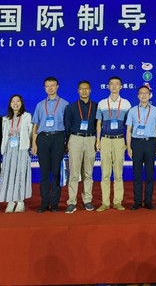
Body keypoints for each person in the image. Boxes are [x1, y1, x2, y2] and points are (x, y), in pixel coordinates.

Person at [32, 76, 69, 213]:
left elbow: (68, 125)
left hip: (58, 138)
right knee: (44, 173)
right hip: (43, 138)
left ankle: (54, 204)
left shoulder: (65, 104)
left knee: (56, 172)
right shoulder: (40, 105)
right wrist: (34, 143)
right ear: (44, 88)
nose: (50, 88)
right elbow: (35, 125)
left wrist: (67, 142)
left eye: (53, 85)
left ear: (57, 87)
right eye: (47, 86)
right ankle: (44, 203)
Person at [96, 76, 131, 211]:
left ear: (121, 87)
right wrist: (98, 140)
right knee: (105, 172)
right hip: (105, 140)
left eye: (117, 84)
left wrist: (127, 143)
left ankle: (117, 201)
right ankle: (105, 202)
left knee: (118, 172)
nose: (114, 86)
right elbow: (98, 123)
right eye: (112, 84)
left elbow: (129, 126)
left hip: (119, 140)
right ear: (108, 86)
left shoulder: (126, 104)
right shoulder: (102, 103)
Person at [63, 80, 98, 213]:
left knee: (88, 172)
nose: (84, 91)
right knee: (73, 172)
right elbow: (67, 126)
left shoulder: (96, 107)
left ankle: (87, 200)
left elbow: (98, 125)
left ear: (90, 90)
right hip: (75, 139)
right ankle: (72, 202)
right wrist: (68, 142)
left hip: (90, 139)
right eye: (81, 89)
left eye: (86, 89)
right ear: (78, 91)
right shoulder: (71, 107)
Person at [125, 86, 156, 210]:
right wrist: (129, 147)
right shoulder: (132, 111)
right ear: (138, 96)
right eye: (141, 93)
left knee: (150, 174)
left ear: (150, 95)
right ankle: (137, 201)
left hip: (150, 143)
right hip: (137, 144)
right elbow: (128, 130)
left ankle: (148, 201)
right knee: (137, 175)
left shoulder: (155, 110)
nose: (144, 95)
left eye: (146, 93)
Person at [0, 94, 33, 213]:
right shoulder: (5, 119)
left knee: (21, 173)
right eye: (13, 101)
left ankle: (20, 200)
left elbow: (31, 133)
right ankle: (10, 201)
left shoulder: (27, 116)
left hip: (22, 148)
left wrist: (29, 146)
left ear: (22, 103)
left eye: (18, 101)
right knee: (9, 174)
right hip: (9, 149)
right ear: (10, 104)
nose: (15, 104)